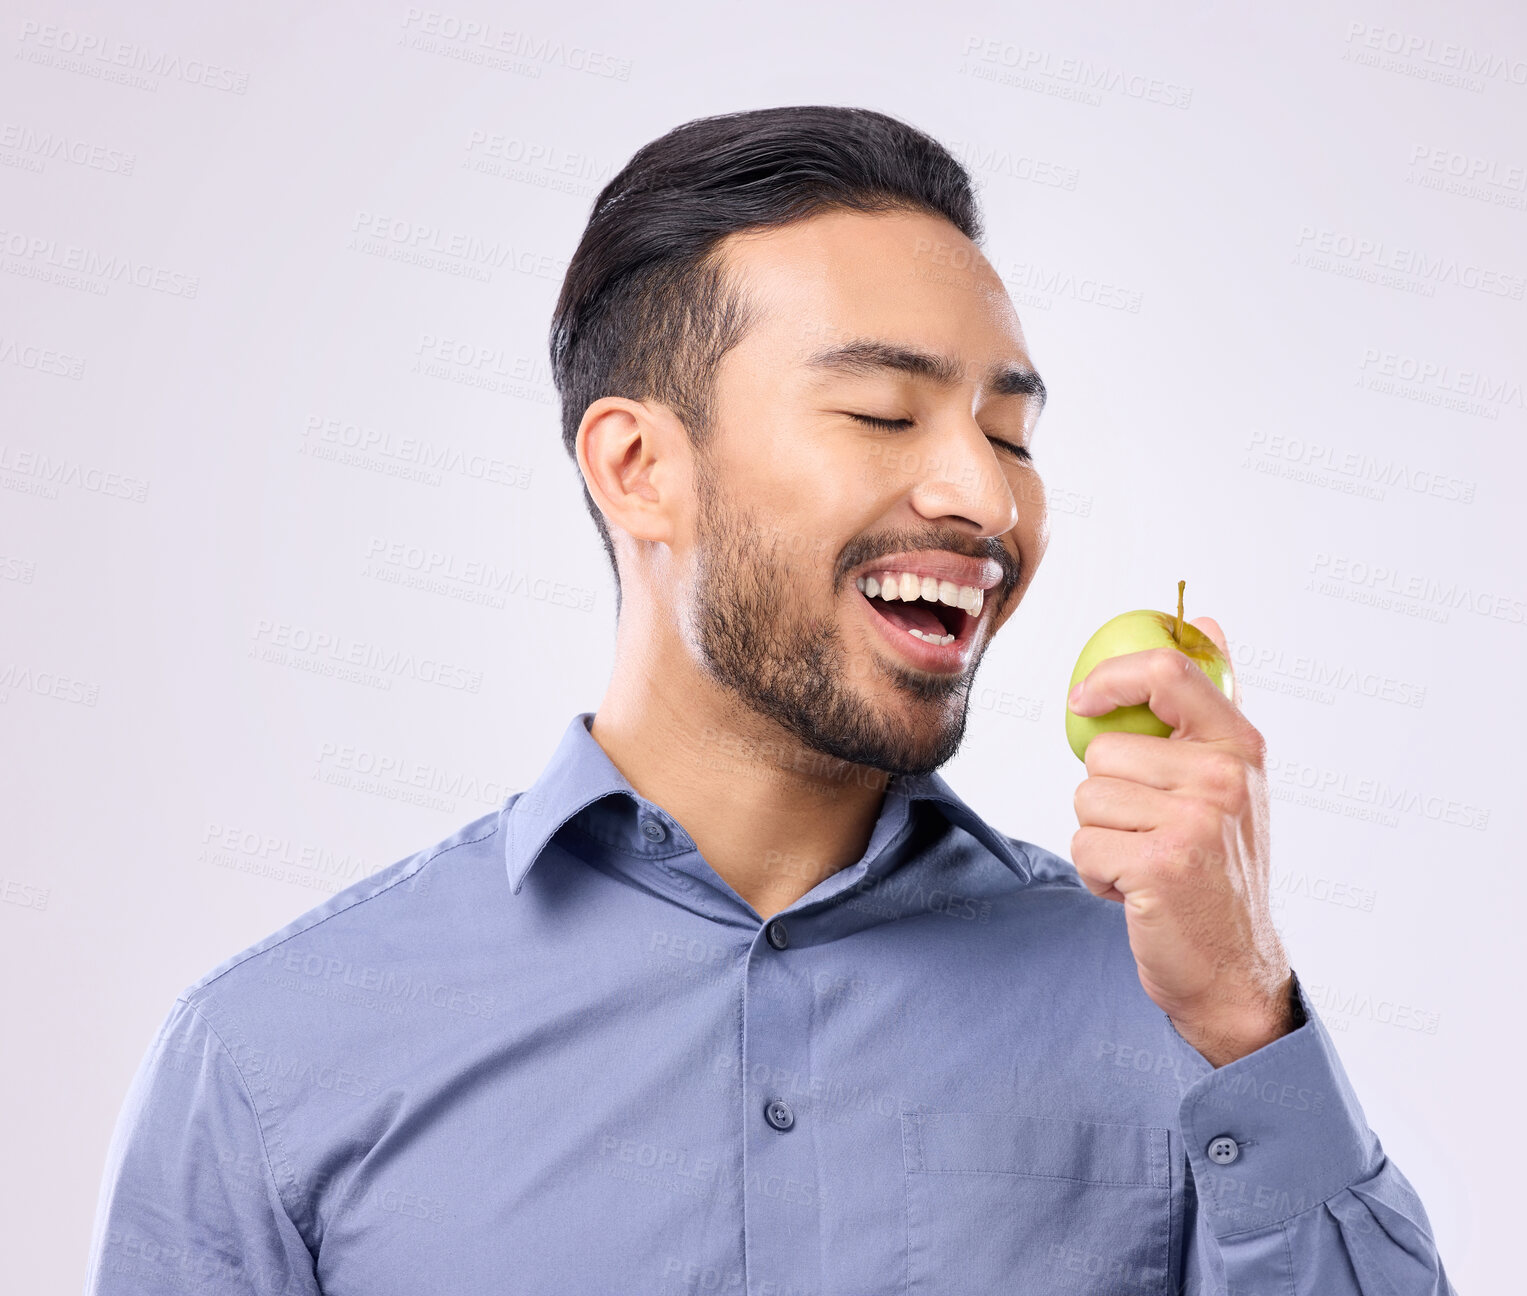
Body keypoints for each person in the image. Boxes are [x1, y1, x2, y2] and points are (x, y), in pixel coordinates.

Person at [85, 105, 1456, 1295]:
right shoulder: (267, 1060)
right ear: (636, 469)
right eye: (879, 411)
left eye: (1009, 434)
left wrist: (1243, 1019)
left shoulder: (1180, 1016)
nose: (984, 497)